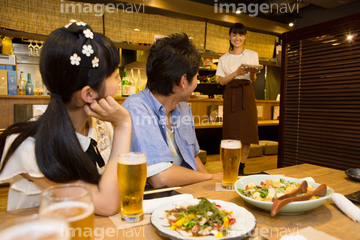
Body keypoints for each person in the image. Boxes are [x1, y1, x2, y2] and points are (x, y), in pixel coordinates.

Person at [0, 22, 131, 215]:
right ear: (88, 94)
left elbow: (117, 191)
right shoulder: (30, 146)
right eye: (115, 76)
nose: (120, 82)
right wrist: (123, 124)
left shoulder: (100, 127)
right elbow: (106, 204)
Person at [122, 33, 222, 188]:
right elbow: (160, 177)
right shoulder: (136, 108)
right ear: (183, 81)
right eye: (196, 77)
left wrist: (212, 185)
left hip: (184, 195)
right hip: (150, 200)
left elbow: (193, 157)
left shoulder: (182, 108)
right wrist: (211, 177)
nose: (197, 83)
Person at [215, 23, 260, 175]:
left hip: (246, 92)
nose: (237, 38)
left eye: (240, 35)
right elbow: (221, 81)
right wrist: (236, 72)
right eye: (234, 35)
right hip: (231, 93)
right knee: (231, 131)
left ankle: (241, 166)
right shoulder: (223, 58)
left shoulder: (252, 54)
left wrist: (252, 73)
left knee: (247, 131)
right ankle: (230, 164)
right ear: (229, 37)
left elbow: (252, 79)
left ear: (245, 36)